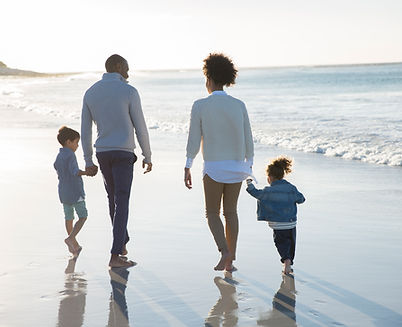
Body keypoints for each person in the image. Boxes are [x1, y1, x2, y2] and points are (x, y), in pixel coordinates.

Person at [81, 54, 152, 268]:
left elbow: (85, 130)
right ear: (118, 66)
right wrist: (147, 155)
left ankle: (121, 244)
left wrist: (88, 159)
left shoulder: (91, 92)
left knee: (113, 198)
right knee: (121, 200)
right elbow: (140, 127)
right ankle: (115, 255)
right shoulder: (129, 91)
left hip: (103, 153)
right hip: (122, 153)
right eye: (127, 68)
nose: (129, 74)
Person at [184, 53, 254, 272]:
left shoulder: (200, 105)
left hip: (214, 167)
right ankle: (230, 260)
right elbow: (249, 137)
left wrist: (188, 164)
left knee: (212, 213)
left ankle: (224, 251)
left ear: (210, 79)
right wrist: (248, 165)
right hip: (237, 167)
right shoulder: (239, 104)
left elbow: (194, 139)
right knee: (231, 213)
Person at [246, 156, 305, 274]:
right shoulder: (291, 188)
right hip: (291, 222)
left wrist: (249, 183)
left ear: (270, 177)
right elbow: (301, 199)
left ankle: (286, 261)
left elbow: (256, 193)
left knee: (281, 243)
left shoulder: (268, 191)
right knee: (291, 243)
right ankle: (289, 261)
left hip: (277, 224)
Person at [54, 126, 90, 256]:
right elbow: (75, 171)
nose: (77, 145)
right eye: (76, 142)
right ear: (68, 142)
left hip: (63, 192)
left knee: (68, 217)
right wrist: (86, 172)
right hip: (75, 191)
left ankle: (73, 244)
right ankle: (71, 238)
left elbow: (56, 168)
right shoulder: (71, 155)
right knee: (83, 216)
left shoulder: (59, 155)